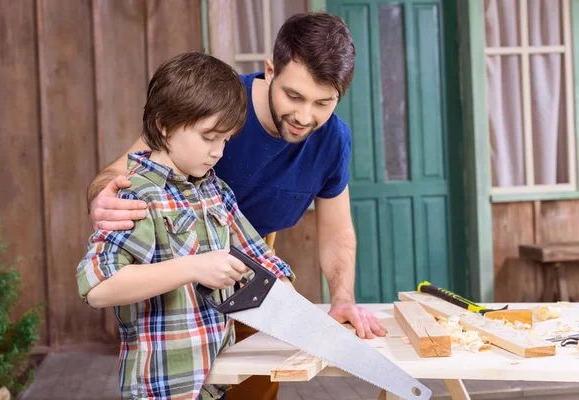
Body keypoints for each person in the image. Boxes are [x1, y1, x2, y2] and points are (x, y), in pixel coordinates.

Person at [87, 12, 388, 400]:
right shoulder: (219, 106)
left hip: (249, 267)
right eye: (293, 96)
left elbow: (337, 230)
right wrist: (102, 195)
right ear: (269, 71)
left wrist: (341, 300)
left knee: (254, 390)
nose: (304, 116)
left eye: (322, 103)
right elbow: (124, 171)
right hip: (176, 281)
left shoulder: (332, 140)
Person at [76, 52, 294, 400]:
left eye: (225, 140)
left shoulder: (216, 190)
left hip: (212, 385)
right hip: (163, 388)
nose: (218, 152)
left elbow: (261, 260)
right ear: (164, 125)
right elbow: (98, 287)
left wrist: (300, 311)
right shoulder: (137, 195)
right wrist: (193, 267)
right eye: (209, 137)